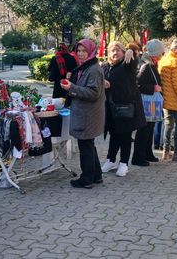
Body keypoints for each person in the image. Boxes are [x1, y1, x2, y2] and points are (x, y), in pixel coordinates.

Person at [61, 39, 106, 189]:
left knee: (85, 145)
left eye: (83, 51)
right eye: (78, 51)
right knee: (89, 145)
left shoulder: (93, 69)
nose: (80, 54)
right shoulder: (85, 67)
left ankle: (86, 179)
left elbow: (93, 92)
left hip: (88, 114)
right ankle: (96, 175)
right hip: (86, 112)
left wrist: (71, 87)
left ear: (91, 51)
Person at [101, 42, 146, 177]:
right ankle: (111, 159)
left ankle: (124, 163)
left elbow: (133, 61)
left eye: (118, 50)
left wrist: (130, 51)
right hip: (110, 107)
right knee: (114, 134)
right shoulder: (105, 66)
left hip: (125, 107)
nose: (115, 53)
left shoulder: (126, 64)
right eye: (112, 51)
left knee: (125, 136)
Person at [132, 39, 165, 166]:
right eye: (161, 53)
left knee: (149, 129)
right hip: (146, 102)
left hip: (150, 102)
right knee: (144, 130)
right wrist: (153, 88)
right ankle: (138, 157)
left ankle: (147, 153)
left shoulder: (150, 64)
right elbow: (137, 85)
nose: (162, 55)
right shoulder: (146, 66)